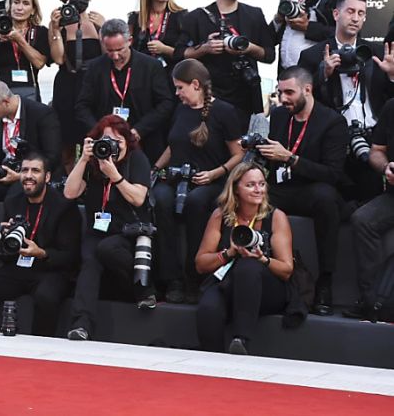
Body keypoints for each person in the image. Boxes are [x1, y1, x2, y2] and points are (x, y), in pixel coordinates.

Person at [254, 66, 346, 316]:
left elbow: (333, 174)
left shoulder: (332, 121)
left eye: (289, 92)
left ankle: (325, 280)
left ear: (308, 89)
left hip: (315, 190)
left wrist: (291, 158)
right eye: (280, 92)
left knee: (325, 197)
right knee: (251, 193)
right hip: (284, 188)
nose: (283, 99)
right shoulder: (281, 115)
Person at [152, 58, 244, 302]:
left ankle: (194, 275)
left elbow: (239, 154)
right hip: (177, 177)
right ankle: (170, 278)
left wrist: (215, 173)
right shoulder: (180, 109)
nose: (177, 93)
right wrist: (156, 167)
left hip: (209, 179)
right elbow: (174, 146)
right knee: (160, 199)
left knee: (196, 202)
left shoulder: (224, 111)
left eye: (180, 87)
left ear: (195, 84)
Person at [0, 152, 80, 337]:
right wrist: (3, 239)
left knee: (45, 297)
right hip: (18, 267)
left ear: (47, 177)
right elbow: (5, 255)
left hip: (52, 270)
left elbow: (70, 256)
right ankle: (1, 338)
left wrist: (41, 253)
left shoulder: (63, 206)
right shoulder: (13, 201)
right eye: (24, 170)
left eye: (35, 171)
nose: (29, 176)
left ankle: (39, 345)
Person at [297, 0, 394, 203]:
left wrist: (392, 76)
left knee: (370, 204)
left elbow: (390, 101)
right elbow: (298, 100)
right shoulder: (313, 55)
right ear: (335, 14)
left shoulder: (377, 52)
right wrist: (323, 74)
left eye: (361, 13)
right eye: (350, 11)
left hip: (373, 140)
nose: (356, 18)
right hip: (333, 142)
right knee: (336, 206)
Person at [65, 116, 153, 341]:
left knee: (106, 248)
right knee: (90, 260)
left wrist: (115, 176)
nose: (111, 146)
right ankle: (81, 324)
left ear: (127, 142)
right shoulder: (94, 162)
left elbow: (138, 198)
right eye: (105, 140)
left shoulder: (137, 159)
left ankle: (141, 287)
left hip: (128, 232)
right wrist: (83, 160)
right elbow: (70, 193)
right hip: (98, 230)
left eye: (117, 140)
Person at [195, 162, 295, 354]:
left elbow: (286, 270)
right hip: (228, 282)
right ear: (236, 189)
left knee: (248, 267)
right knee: (209, 308)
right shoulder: (220, 216)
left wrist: (262, 258)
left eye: (262, 184)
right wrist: (229, 253)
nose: (258, 190)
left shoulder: (275, 217)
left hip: (266, 287)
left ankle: (241, 340)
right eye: (250, 185)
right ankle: (211, 363)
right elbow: (200, 263)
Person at [0, 80, 60, 272]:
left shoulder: (41, 114)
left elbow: (52, 156)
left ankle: (11, 252)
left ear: (6, 102)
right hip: (5, 170)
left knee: (14, 197)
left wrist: (21, 175)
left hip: (30, 175)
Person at [177, 0, 275, 128]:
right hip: (210, 95)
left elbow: (269, 55)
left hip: (246, 95)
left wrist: (249, 48)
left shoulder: (254, 14)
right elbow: (179, 54)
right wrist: (205, 48)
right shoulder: (196, 17)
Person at [75, 18, 175, 164]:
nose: (115, 56)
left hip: (145, 141)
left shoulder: (151, 66)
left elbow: (165, 104)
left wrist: (139, 130)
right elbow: (82, 106)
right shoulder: (95, 67)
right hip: (106, 145)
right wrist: (101, 132)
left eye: (119, 50)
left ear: (130, 41)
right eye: (110, 51)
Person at [48, 0, 104, 174]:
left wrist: (104, 27)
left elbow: (109, 56)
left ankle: (90, 182)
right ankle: (68, 184)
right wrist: (54, 28)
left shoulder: (97, 22)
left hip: (92, 86)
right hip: (67, 84)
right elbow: (58, 58)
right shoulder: (59, 23)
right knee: (66, 141)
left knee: (91, 137)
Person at [347, 98, 394, 321]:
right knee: (362, 219)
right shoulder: (391, 106)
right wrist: (386, 167)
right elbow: (376, 151)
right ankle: (371, 300)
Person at [0, 0, 51, 101]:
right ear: (10, 6)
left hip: (29, 94)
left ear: (33, 10)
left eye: (25, 3)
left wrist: (19, 40)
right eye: (16, 2)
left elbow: (39, 63)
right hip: (0, 96)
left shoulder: (40, 32)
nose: (19, 8)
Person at [273, 0, 352, 69]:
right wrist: (278, 19)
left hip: (321, 76)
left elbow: (350, 37)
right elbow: (276, 35)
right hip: (286, 75)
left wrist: (308, 27)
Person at [128, 0, 187, 78]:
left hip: (172, 78)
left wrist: (165, 49)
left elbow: (189, 52)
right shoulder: (135, 18)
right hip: (143, 77)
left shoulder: (181, 16)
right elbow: (128, 49)